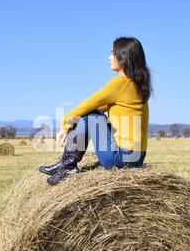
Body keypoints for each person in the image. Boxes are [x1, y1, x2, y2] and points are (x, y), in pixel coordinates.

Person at [39, 36, 152, 185]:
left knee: (90, 114)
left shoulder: (120, 83)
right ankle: (65, 163)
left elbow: (88, 105)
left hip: (120, 158)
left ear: (123, 57)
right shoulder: (137, 86)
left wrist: (65, 124)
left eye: (113, 53)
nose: (109, 57)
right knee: (90, 114)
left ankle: (67, 165)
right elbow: (100, 107)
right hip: (136, 158)